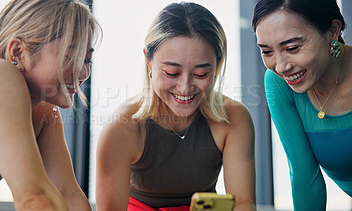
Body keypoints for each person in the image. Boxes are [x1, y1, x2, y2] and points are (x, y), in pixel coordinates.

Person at [96, 2, 256, 211]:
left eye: (201, 74)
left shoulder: (234, 118)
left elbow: (243, 204)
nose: (185, 88)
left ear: (217, 66)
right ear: (148, 60)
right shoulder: (122, 127)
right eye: (172, 72)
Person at [0, 0, 100, 210]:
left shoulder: (44, 115)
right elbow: (34, 198)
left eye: (87, 60)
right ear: (17, 52)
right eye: (71, 56)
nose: (83, 73)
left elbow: (68, 195)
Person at [252, 0, 352, 210]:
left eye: (292, 48)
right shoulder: (277, 82)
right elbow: (304, 174)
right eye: (267, 51)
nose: (281, 67)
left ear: (333, 31)